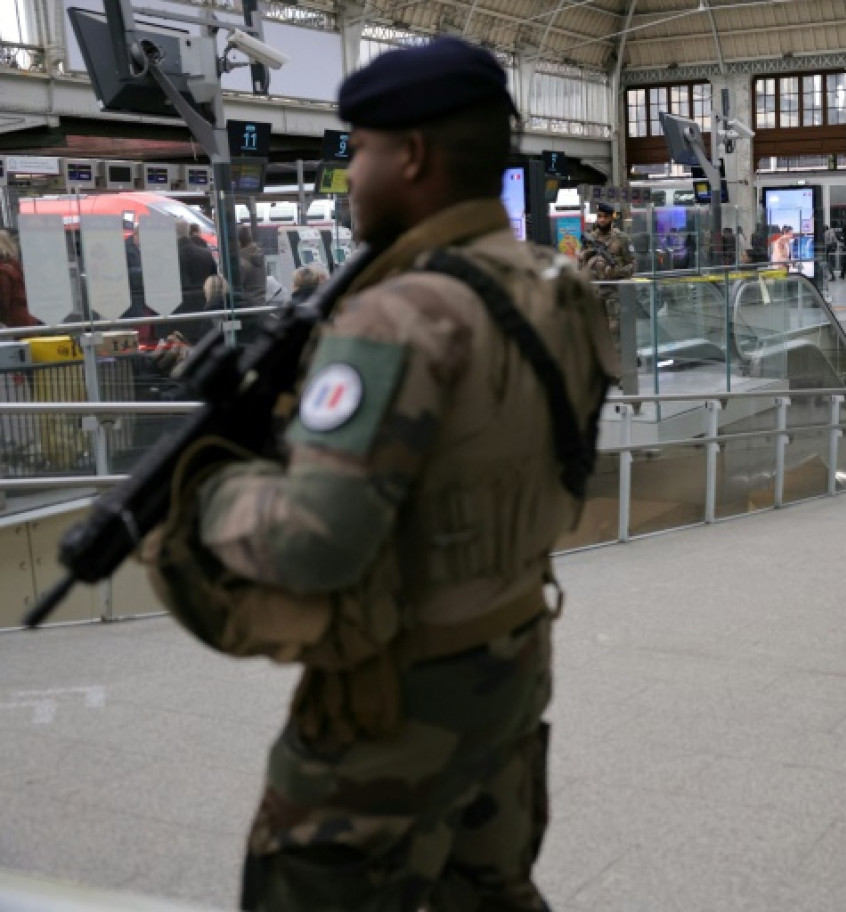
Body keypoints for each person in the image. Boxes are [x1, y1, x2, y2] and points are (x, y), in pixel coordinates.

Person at [139, 35, 614, 911]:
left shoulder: (398, 317)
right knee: (490, 891)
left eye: (358, 150)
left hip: (398, 702)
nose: (348, 174)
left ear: (414, 156)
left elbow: (315, 543)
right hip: (511, 654)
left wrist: (208, 496)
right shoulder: (554, 285)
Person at [578, 202, 635, 347]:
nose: (602, 220)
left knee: (614, 329)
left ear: (611, 219)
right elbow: (580, 264)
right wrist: (586, 255)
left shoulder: (622, 238)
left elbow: (632, 265)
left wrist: (616, 272)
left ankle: (618, 363)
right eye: (600, 216)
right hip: (594, 291)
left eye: (606, 217)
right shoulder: (590, 238)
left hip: (613, 291)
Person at [176, 221, 218, 317]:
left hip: (177, 311)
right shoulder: (206, 254)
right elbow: (214, 279)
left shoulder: (168, 256)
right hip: (203, 305)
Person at [0, 229, 40, 328]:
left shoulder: (3, 271)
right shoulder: (14, 266)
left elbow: (3, 303)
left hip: (14, 323)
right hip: (25, 320)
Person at [235, 225, 267, 308]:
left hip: (247, 307)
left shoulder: (242, 263)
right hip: (260, 304)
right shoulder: (258, 255)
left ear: (238, 242)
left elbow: (236, 288)